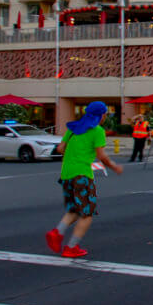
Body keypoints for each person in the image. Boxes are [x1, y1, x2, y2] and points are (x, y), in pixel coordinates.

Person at [45, 101, 122, 258]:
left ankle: (57, 232)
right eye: (104, 113)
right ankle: (71, 247)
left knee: (74, 209)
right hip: (82, 174)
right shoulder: (97, 131)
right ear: (101, 115)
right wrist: (114, 166)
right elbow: (101, 156)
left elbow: (60, 148)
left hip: (66, 174)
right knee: (87, 213)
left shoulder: (73, 128)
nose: (105, 116)